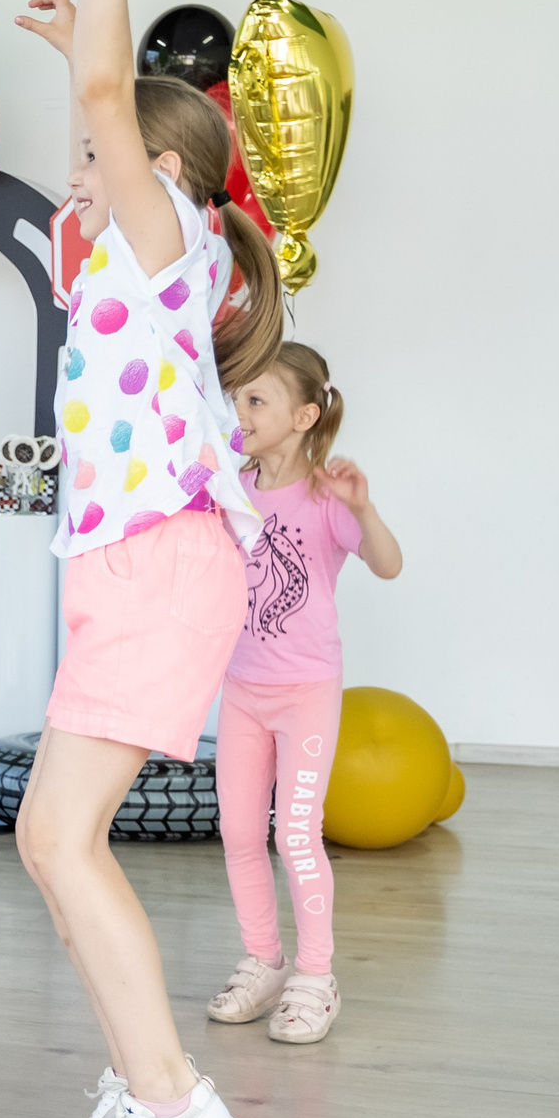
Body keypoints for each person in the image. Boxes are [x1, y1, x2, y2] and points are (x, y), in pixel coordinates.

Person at [13, 0, 289, 1118]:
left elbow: (124, 98)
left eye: (91, 149)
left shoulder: (156, 232)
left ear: (161, 171)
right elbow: (115, 101)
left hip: (159, 568)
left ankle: (178, 1105)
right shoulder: (135, 266)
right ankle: (140, 1081)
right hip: (127, 564)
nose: (78, 166)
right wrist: (81, 60)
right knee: (47, 839)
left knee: (64, 838)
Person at [207, 343, 401, 1043]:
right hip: (242, 688)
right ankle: (264, 960)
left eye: (256, 400)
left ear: (303, 415)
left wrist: (365, 508)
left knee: (295, 833)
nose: (241, 411)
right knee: (235, 832)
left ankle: (315, 976)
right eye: (237, 399)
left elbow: (388, 564)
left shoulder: (327, 496)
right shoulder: (232, 487)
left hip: (306, 690)